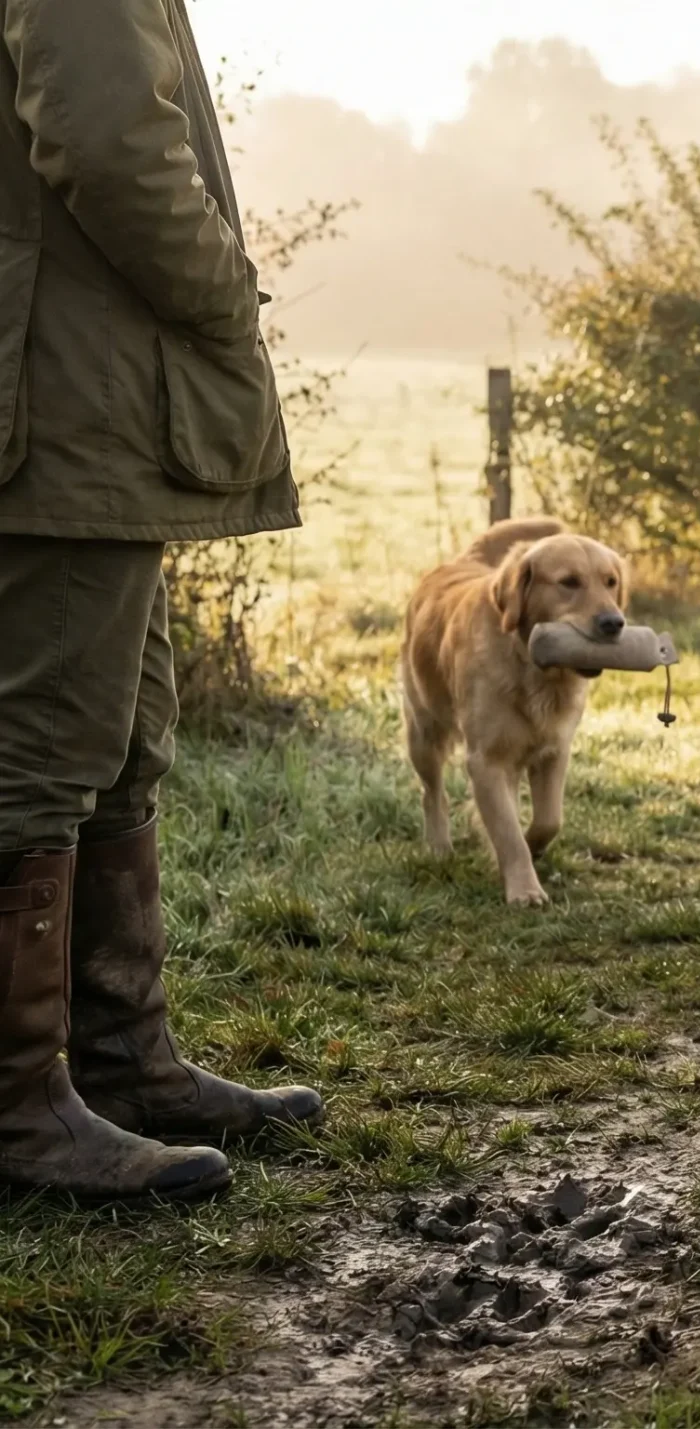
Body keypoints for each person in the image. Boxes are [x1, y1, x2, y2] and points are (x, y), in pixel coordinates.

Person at [0, 0, 324, 1201]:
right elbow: (107, 145)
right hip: (67, 396)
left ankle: (119, 1063)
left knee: (122, 735)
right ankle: (19, 1109)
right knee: (40, 753)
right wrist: (224, 289)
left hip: (89, 403)